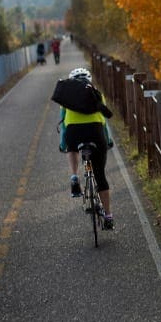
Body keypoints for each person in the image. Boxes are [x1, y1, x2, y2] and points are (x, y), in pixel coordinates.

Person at [58, 67, 115, 230]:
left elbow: (64, 125)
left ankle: (74, 176)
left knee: (72, 147)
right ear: (89, 80)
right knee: (100, 175)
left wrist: (65, 145)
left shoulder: (66, 97)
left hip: (74, 134)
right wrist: (108, 141)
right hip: (96, 133)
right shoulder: (98, 94)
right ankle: (108, 216)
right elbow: (104, 123)